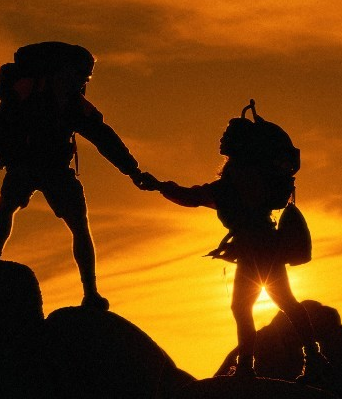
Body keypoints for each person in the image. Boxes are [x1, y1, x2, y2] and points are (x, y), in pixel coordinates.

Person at [139, 101, 330, 383]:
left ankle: (253, 367)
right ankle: (308, 358)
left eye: (227, 135)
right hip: (262, 245)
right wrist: (164, 188)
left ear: (238, 144)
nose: (222, 139)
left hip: (256, 248)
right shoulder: (248, 174)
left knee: (251, 306)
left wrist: (161, 187)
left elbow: (198, 197)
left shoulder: (238, 177)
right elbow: (206, 196)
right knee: (278, 302)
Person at [0, 41, 149, 310]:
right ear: (64, 69)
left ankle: (90, 293)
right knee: (8, 207)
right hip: (26, 163)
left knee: (78, 224)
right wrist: (10, 155)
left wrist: (132, 169)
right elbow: (0, 126)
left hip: (52, 168)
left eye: (87, 77)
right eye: (82, 74)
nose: (84, 80)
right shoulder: (30, 90)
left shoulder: (73, 103)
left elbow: (103, 137)